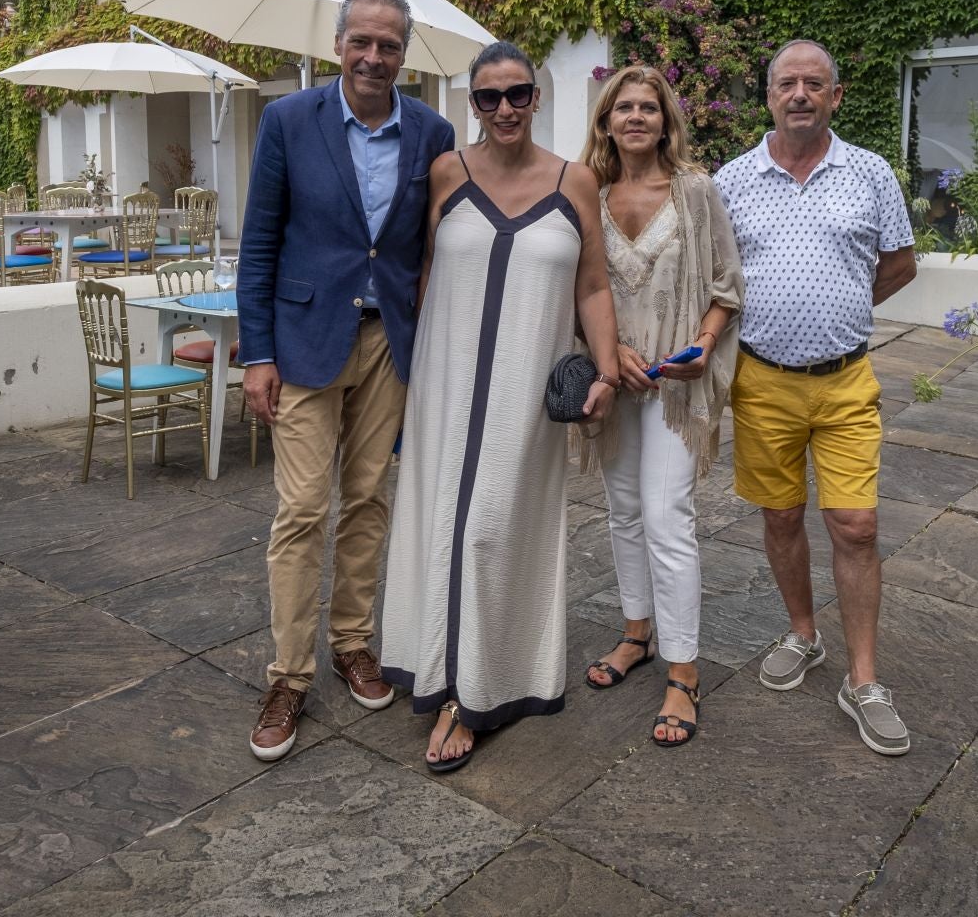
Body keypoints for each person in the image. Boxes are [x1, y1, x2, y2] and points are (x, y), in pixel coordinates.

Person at [380, 41, 621, 773]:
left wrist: (606, 372)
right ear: (471, 106)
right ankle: (441, 669)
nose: (505, 109)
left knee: (494, 528)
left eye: (518, 94)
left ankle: (484, 687)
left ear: (538, 97)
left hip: (525, 391)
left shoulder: (575, 182)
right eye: (488, 98)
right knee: (442, 525)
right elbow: (423, 271)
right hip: (445, 385)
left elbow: (593, 285)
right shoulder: (445, 173)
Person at [236, 0, 456, 762]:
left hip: (389, 343)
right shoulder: (288, 121)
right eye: (361, 42)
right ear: (338, 46)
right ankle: (289, 675)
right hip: (303, 341)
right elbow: (258, 244)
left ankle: (353, 642)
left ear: (405, 53)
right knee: (301, 509)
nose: (373, 57)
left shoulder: (433, 131)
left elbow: (433, 249)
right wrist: (255, 353)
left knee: (368, 499)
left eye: (388, 45)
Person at [714, 39, 918, 757]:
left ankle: (864, 680)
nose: (799, 94)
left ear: (835, 96)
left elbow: (900, 264)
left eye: (814, 84)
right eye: (786, 83)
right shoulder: (730, 181)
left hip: (844, 380)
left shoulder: (869, 174)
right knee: (779, 517)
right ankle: (804, 634)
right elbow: (716, 279)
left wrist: (841, 305)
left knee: (855, 524)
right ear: (768, 96)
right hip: (762, 381)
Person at [577, 65, 742, 748]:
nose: (637, 117)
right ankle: (637, 632)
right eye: (625, 108)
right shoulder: (588, 193)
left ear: (666, 119)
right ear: (606, 121)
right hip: (617, 381)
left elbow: (728, 283)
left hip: (678, 386)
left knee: (668, 516)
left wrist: (703, 344)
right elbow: (577, 284)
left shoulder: (696, 191)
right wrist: (608, 356)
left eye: (649, 106)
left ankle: (683, 670)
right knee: (622, 510)